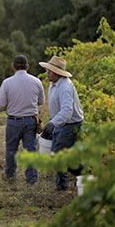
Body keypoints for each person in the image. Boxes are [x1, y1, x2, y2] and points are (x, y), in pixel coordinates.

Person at [0, 55, 45, 185]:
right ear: (27, 67)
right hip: (31, 121)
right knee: (30, 150)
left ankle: (11, 176)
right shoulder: (36, 81)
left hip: (13, 120)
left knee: (11, 149)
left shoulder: (7, 83)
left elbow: (1, 104)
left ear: (13, 67)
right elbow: (41, 101)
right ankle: (31, 180)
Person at [39, 55, 84, 191]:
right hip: (61, 123)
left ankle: (81, 176)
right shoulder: (53, 84)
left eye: (50, 71)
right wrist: (52, 123)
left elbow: (67, 111)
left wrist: (53, 123)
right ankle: (63, 183)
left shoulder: (65, 87)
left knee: (59, 154)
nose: (47, 73)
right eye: (48, 70)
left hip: (70, 124)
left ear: (58, 73)